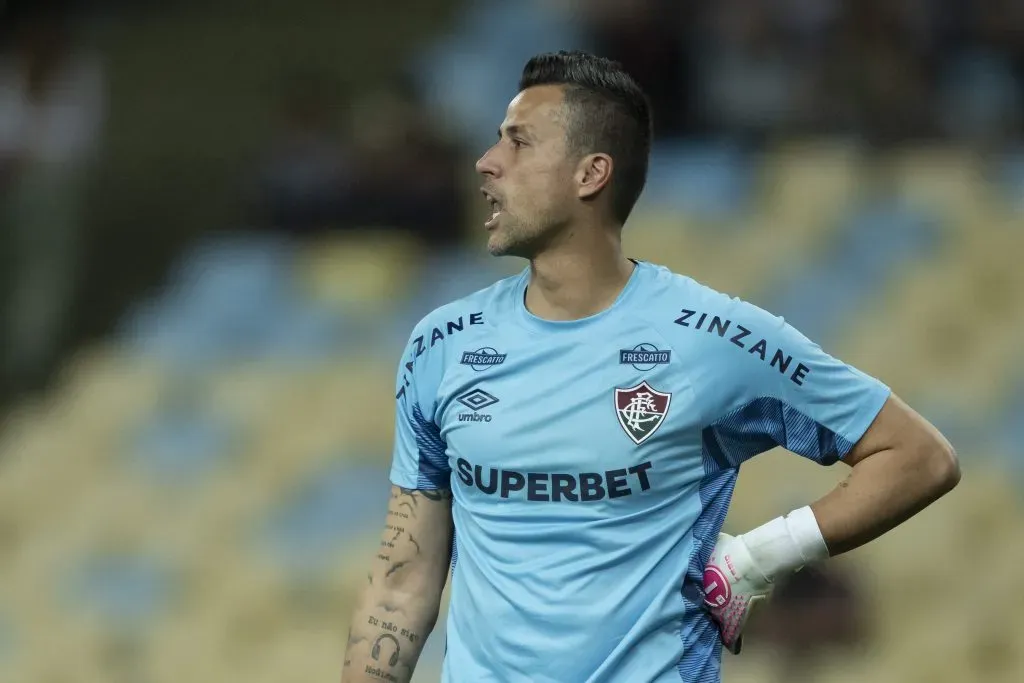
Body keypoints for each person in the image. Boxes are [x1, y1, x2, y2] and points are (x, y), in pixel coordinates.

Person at [341, 50, 960, 683]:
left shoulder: (712, 338)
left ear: (591, 174)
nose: (487, 161)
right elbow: (401, 581)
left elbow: (918, 457)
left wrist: (756, 557)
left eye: (519, 143)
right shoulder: (443, 343)